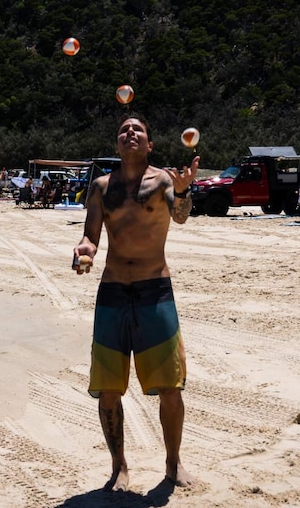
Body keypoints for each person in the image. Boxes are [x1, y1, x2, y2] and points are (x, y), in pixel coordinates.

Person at [72, 113, 199, 491]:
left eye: (138, 129)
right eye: (123, 130)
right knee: (109, 390)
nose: (130, 133)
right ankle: (119, 467)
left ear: (149, 145)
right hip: (112, 293)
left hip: (154, 291)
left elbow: (180, 218)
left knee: (170, 387)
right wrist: (85, 251)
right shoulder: (100, 187)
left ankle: (173, 463)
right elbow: (90, 236)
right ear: (117, 145)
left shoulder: (163, 181)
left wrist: (184, 191)